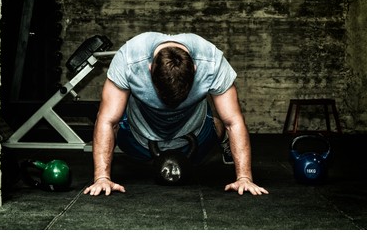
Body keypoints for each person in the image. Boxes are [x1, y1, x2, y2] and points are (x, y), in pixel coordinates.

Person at [84, 32, 268, 196]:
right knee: (113, 118)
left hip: (196, 140)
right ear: (149, 69)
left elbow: (234, 121)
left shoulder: (211, 62)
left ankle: (224, 141)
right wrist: (101, 178)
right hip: (137, 139)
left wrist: (244, 177)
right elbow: (107, 120)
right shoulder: (130, 59)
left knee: (221, 123)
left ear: (195, 69)